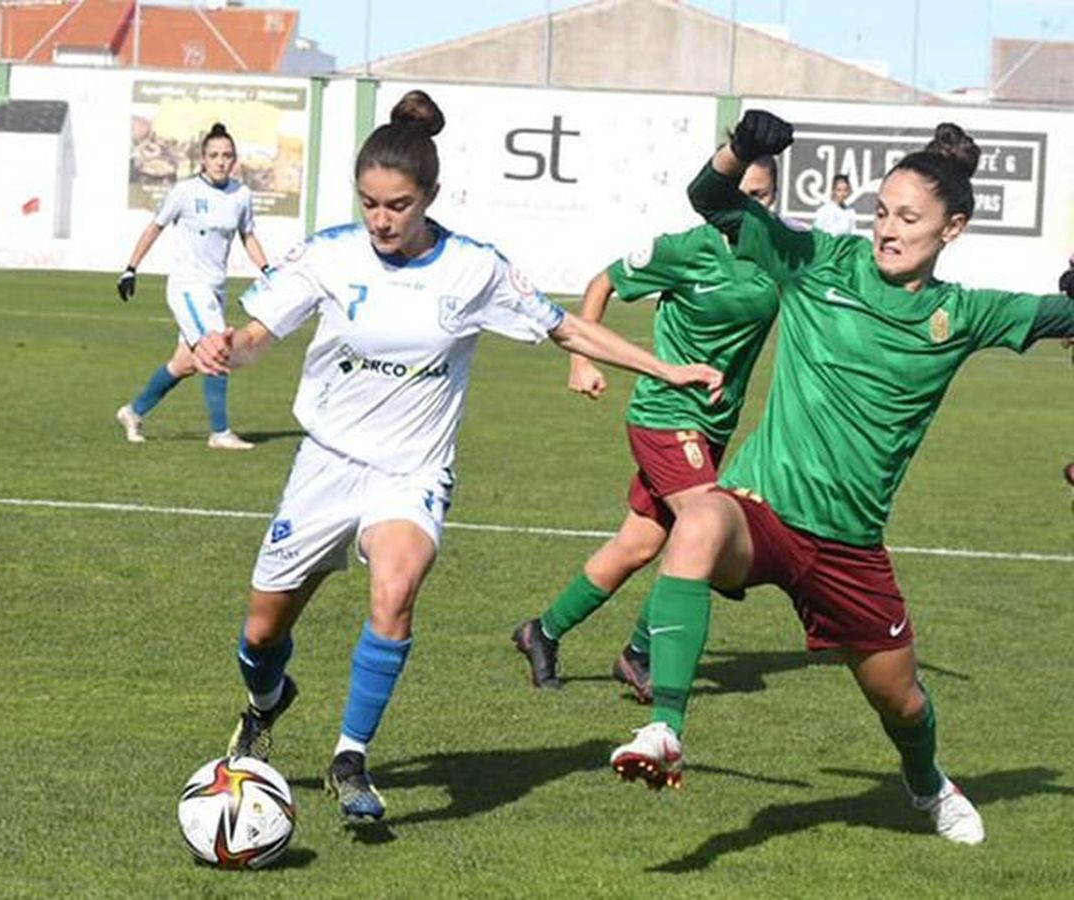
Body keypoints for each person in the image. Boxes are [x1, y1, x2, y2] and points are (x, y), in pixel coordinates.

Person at [193, 91, 723, 822]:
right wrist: (229, 348)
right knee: (261, 635)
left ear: (430, 198)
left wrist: (667, 371)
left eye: (398, 205)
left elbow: (566, 330)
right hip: (326, 465)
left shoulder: (472, 270)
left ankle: (351, 758)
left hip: (410, 472)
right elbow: (257, 334)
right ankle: (267, 699)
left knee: (397, 587)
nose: (381, 218)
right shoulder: (329, 254)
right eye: (370, 202)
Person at [609, 110, 1074, 848]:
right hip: (763, 513)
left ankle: (927, 784)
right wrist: (739, 151)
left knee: (903, 703)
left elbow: (1061, 315)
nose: (888, 229)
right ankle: (665, 723)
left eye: (909, 218)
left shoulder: (966, 313)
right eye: (882, 212)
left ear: (951, 229)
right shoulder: (818, 261)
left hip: (851, 548)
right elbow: (713, 202)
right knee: (697, 519)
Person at [512, 155, 781, 702]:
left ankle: (542, 631)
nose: (752, 207)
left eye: (764, 196)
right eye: (743, 193)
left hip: (713, 428)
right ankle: (640, 656)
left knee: (638, 545)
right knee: (707, 532)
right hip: (665, 416)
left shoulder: (778, 256)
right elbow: (601, 283)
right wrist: (580, 361)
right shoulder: (684, 249)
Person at [114, 123, 271, 451]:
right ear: (203, 160)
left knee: (184, 364)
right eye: (214, 155)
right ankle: (220, 432)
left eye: (227, 156)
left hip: (214, 289)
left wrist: (268, 270)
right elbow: (154, 228)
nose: (221, 161)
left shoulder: (240, 195)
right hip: (187, 287)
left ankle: (133, 412)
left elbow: (248, 236)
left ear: (235, 160)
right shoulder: (185, 192)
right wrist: (131, 269)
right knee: (217, 348)